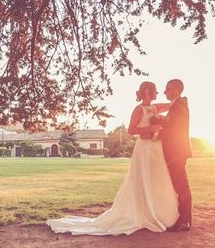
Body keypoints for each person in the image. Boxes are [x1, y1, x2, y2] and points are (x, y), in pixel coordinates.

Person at [46, 81, 179, 235]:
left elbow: (172, 105)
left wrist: (180, 100)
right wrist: (151, 128)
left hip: (156, 148)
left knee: (157, 179)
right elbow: (131, 130)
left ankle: (157, 211)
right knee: (141, 179)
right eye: (155, 91)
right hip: (144, 148)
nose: (158, 93)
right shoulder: (138, 109)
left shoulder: (155, 108)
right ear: (148, 92)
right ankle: (140, 213)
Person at [159, 79, 193, 232]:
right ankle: (181, 218)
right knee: (178, 185)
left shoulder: (179, 105)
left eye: (167, 89)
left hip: (177, 152)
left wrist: (158, 124)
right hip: (175, 151)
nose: (165, 91)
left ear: (175, 89)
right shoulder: (177, 105)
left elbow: (173, 128)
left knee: (181, 185)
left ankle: (185, 221)